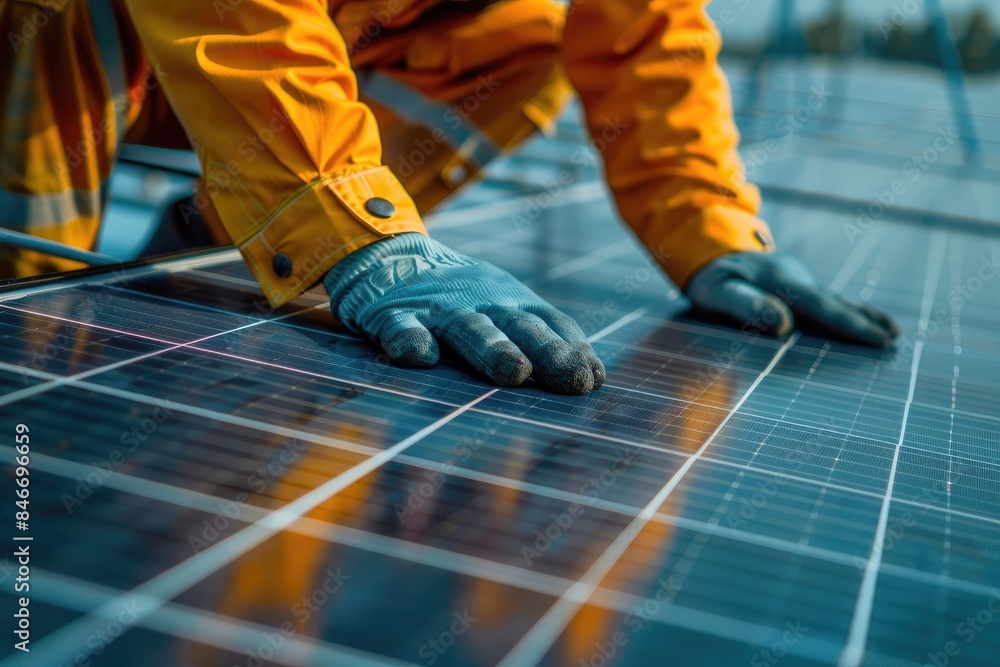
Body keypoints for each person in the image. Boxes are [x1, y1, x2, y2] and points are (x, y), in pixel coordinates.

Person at [0, 0, 897, 395]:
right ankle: (28, 321)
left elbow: (646, 39)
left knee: (523, 43)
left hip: (282, 72)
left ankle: (212, 254)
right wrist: (357, 229)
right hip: (90, 46)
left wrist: (708, 227)